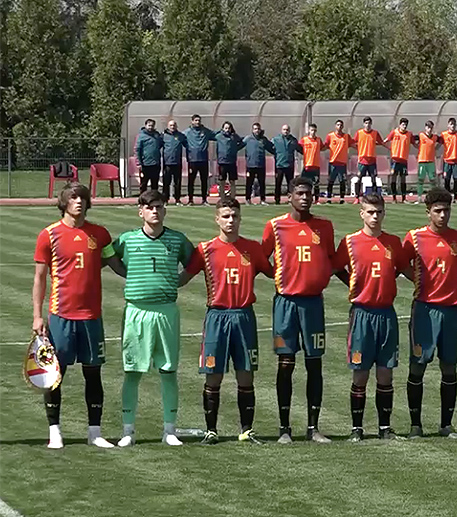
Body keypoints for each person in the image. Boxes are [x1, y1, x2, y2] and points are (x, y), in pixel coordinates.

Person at [32, 183, 125, 449]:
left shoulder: (100, 234)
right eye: (73, 198)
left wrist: (144, 273)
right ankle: (55, 431)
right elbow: (39, 278)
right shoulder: (49, 235)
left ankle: (94, 432)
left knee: (93, 374)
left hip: (92, 316)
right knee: (55, 374)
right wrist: (37, 316)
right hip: (61, 316)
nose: (79, 202)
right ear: (64, 202)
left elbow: (116, 265)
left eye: (83, 197)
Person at [180, 198, 274, 445]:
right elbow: (183, 278)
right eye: (225, 216)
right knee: (213, 375)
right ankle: (211, 430)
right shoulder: (205, 249)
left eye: (234, 216)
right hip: (217, 317)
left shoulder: (252, 248)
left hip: (244, 316)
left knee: (246, 375)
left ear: (240, 218)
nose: (230, 220)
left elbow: (275, 273)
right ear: (217, 219)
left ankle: (246, 430)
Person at [112, 190, 195, 447]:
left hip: (166, 311)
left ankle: (169, 430)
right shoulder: (127, 239)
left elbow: (194, 263)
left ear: (165, 210)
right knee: (133, 372)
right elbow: (109, 257)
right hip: (136, 311)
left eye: (159, 207)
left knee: (168, 371)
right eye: (149, 207)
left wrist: (176, 281)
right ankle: (128, 431)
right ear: (141, 212)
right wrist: (129, 275)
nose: (154, 211)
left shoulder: (177, 240)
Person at [262, 177, 336, 444]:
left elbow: (331, 260)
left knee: (314, 364)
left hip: (313, 304)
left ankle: (313, 428)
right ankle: (284, 428)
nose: (305, 198)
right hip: (285, 304)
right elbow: (261, 258)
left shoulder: (324, 227)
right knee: (285, 364)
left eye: (309, 194)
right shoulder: (275, 226)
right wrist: (278, 275)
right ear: (289, 196)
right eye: (300, 193)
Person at [333, 193, 408, 441]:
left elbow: (403, 268)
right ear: (362, 213)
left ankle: (385, 428)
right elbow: (336, 267)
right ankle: (357, 428)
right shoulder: (350, 242)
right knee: (360, 373)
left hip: (386, 314)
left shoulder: (393, 242)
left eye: (379, 212)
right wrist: (353, 284)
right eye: (370, 212)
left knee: (386, 373)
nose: (375, 216)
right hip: (362, 315)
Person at [402, 188, 457, 439]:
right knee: (418, 366)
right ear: (428, 212)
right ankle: (415, 425)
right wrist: (417, 280)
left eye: (447, 210)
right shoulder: (414, 237)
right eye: (438, 211)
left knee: (449, 366)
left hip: (451, 311)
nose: (443, 215)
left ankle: (446, 425)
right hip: (424, 310)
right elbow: (400, 263)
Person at [183, 114, 217, 206]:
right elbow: (180, 140)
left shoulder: (205, 131)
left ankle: (204, 200)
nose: (197, 122)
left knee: (204, 180)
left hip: (203, 160)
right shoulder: (187, 132)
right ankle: (190, 200)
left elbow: (216, 135)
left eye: (199, 120)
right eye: (196, 120)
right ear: (192, 121)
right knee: (191, 181)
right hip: (192, 160)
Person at [353, 117, 385, 203]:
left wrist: (390, 147)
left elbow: (381, 142)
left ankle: (375, 196)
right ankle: (357, 197)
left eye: (369, 123)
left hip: (372, 160)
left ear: (371, 124)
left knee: (373, 179)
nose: (368, 125)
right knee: (359, 178)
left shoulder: (375, 133)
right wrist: (359, 149)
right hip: (362, 160)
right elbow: (353, 142)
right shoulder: (359, 133)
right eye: (366, 123)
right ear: (364, 124)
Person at [242, 123, 276, 205]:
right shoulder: (247, 139)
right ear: (252, 130)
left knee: (262, 183)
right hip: (250, 165)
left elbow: (271, 148)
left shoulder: (263, 139)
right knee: (249, 183)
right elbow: (239, 146)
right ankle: (248, 199)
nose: (257, 130)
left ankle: (262, 200)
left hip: (261, 165)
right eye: (255, 129)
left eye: (258, 129)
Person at [324, 120, 354, 204]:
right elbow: (325, 146)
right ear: (335, 126)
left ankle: (342, 199)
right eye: (338, 125)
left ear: (343, 126)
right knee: (331, 181)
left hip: (342, 163)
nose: (339, 126)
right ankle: (329, 198)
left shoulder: (346, 137)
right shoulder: (330, 136)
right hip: (333, 163)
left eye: (341, 125)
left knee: (342, 181)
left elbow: (353, 144)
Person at [214, 121, 245, 201]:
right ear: (223, 129)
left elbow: (242, 142)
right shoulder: (218, 136)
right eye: (226, 128)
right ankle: (222, 199)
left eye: (229, 128)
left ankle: (232, 199)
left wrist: (235, 149)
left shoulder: (234, 136)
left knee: (232, 181)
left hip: (232, 162)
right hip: (222, 162)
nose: (227, 130)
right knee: (222, 181)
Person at [272, 124, 302, 205]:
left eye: (287, 130)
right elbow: (270, 148)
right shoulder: (276, 139)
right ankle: (277, 200)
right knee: (278, 183)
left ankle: (290, 199)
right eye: (284, 129)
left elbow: (300, 149)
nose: (286, 131)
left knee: (290, 184)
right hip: (279, 165)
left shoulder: (293, 140)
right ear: (281, 130)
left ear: (289, 131)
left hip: (289, 165)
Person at [384, 118, 412, 203]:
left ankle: (404, 198)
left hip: (404, 159)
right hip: (395, 159)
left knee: (403, 178)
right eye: (403, 124)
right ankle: (394, 198)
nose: (404, 126)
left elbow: (414, 143)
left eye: (406, 125)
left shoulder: (409, 134)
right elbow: (385, 141)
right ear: (400, 125)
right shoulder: (394, 132)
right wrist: (390, 148)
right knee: (394, 177)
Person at [162, 120, 187, 205]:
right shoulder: (163, 136)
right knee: (166, 183)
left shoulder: (180, 136)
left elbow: (187, 145)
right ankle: (165, 200)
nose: (172, 127)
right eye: (171, 125)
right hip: (167, 163)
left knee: (177, 182)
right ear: (168, 126)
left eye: (174, 125)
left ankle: (177, 199)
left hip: (177, 162)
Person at [414, 121, 440, 204]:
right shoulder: (421, 135)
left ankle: (433, 197)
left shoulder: (435, 137)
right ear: (425, 127)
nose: (429, 129)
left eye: (431, 127)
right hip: (422, 161)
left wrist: (436, 148)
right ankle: (419, 197)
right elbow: (412, 140)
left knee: (432, 180)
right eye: (428, 127)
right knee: (420, 179)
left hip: (431, 161)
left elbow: (442, 141)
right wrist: (417, 147)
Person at [135, 118, 163, 194]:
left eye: (152, 126)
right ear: (145, 125)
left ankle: (154, 199)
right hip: (145, 164)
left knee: (155, 184)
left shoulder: (157, 135)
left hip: (155, 164)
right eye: (149, 125)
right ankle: (142, 199)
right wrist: (138, 163)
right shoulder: (141, 136)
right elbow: (137, 150)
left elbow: (160, 145)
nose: (150, 127)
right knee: (144, 184)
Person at [300, 124, 325, 203]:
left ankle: (317, 200)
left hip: (316, 166)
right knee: (305, 184)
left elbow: (323, 147)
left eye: (314, 130)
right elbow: (298, 147)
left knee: (316, 184)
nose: (313, 132)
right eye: (311, 130)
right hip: (307, 166)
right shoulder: (304, 140)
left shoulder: (318, 140)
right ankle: (305, 198)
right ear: (309, 131)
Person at [440, 118, 457, 201]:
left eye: (454, 124)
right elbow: (439, 143)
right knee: (447, 179)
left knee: (456, 179)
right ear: (448, 125)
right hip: (447, 161)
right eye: (451, 124)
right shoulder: (443, 134)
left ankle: (456, 198)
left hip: (456, 161)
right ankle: (447, 197)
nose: (452, 126)